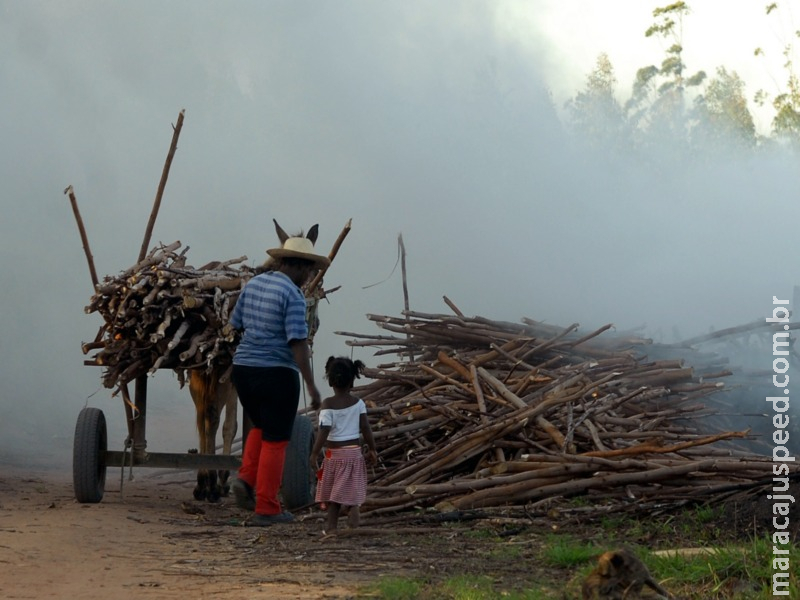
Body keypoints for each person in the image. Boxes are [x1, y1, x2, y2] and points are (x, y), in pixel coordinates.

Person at [228, 221, 330, 526]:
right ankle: (268, 507)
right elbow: (297, 342)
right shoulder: (295, 295)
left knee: (261, 425)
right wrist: (311, 386)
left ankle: (246, 480)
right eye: (310, 270)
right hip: (276, 373)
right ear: (298, 266)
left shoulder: (255, 284)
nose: (311, 276)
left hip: (244, 371)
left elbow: (235, 323)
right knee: (277, 439)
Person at [310, 356, 378, 532]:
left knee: (334, 495)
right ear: (352, 382)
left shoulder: (327, 404)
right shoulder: (358, 404)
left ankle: (331, 528)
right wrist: (372, 449)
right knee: (351, 488)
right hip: (354, 454)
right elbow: (366, 428)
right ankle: (353, 508)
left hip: (334, 456)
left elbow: (323, 431)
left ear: (331, 381)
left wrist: (314, 453)